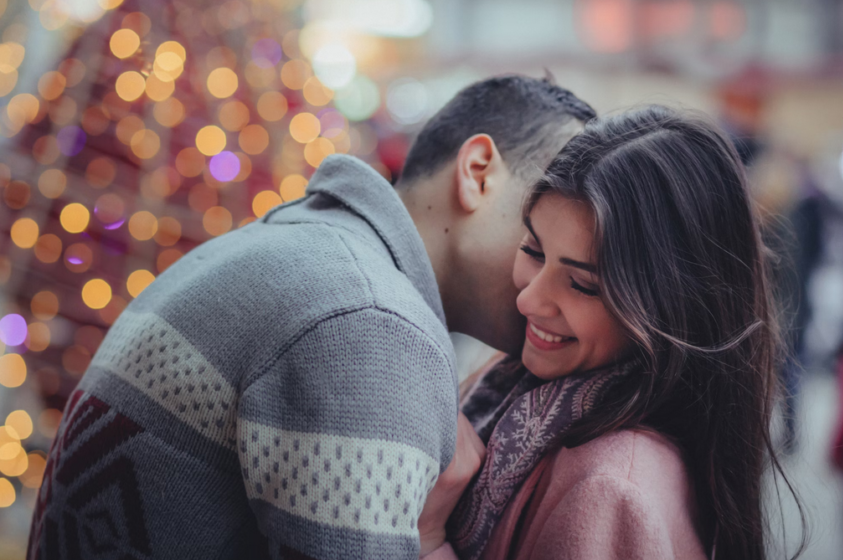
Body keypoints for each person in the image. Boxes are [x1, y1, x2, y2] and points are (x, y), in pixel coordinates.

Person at [26, 75, 595, 560]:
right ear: (477, 172)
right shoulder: (369, 320)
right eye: (543, 223)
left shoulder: (300, 248)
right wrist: (427, 538)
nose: (563, 272)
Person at [423, 105, 804, 560]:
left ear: (671, 307)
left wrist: (429, 540)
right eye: (533, 250)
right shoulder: (528, 392)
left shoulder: (611, 487)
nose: (528, 301)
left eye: (583, 285)